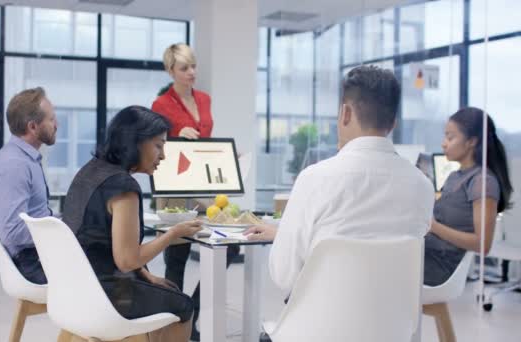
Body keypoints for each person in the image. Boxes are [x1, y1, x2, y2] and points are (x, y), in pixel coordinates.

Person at [244, 65, 435, 294]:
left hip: (322, 326)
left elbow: (285, 276)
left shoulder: (315, 178)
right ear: (393, 123)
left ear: (345, 114)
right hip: (394, 327)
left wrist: (288, 239)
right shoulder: (422, 185)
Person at [62, 106, 202, 342]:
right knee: (183, 306)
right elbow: (126, 261)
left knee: (162, 289)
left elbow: (99, 241)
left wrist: (145, 275)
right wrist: (173, 233)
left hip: (73, 289)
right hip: (107, 294)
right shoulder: (124, 187)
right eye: (158, 145)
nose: (164, 156)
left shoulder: (89, 171)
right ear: (135, 142)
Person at [151, 43, 238, 340]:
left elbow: (207, 142)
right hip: (174, 186)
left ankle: (193, 311)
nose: (191, 73)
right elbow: (155, 144)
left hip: (202, 184)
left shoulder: (204, 99)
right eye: (184, 68)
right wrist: (175, 136)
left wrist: (224, 160)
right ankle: (176, 326)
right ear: (170, 71)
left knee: (228, 244)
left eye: (193, 66)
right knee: (177, 257)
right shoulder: (161, 104)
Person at [423, 108, 513, 286]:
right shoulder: (455, 176)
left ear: (472, 141)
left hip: (441, 266)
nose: (443, 144)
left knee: (378, 264)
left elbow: (483, 244)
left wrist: (434, 227)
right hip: (428, 253)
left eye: (450, 138)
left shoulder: (482, 181)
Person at [0, 87, 57, 284]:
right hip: (30, 262)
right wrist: (62, 230)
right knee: (107, 269)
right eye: (51, 119)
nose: (56, 125)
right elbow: (12, 232)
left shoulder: (22, 158)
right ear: (33, 126)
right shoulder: (16, 165)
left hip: (36, 254)